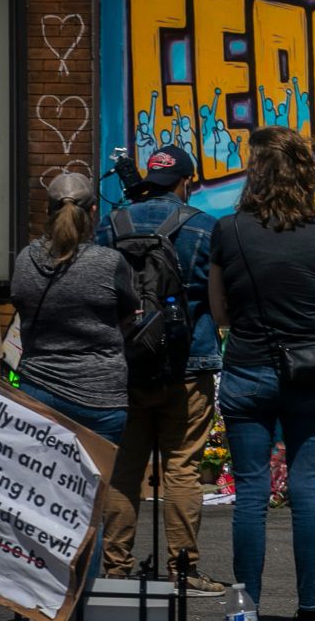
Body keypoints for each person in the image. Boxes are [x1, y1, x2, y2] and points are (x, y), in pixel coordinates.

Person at [207, 126, 315, 620]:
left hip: (246, 370)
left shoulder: (229, 231)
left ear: (256, 172)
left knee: (251, 494)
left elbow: (219, 312)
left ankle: (246, 608)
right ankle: (308, 608)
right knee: (307, 492)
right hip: (308, 374)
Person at [97, 145, 225, 595]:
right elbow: (219, 300)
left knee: (125, 468)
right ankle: (183, 570)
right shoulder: (206, 229)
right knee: (182, 470)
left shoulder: (111, 226)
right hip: (189, 364)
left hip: (127, 365)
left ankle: (115, 571)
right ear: (185, 181)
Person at [12, 172, 137, 443]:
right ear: (93, 210)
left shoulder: (25, 260)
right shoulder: (110, 262)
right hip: (100, 395)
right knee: (95, 484)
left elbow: (21, 307)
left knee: (39, 482)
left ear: (48, 210)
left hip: (38, 389)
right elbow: (130, 313)